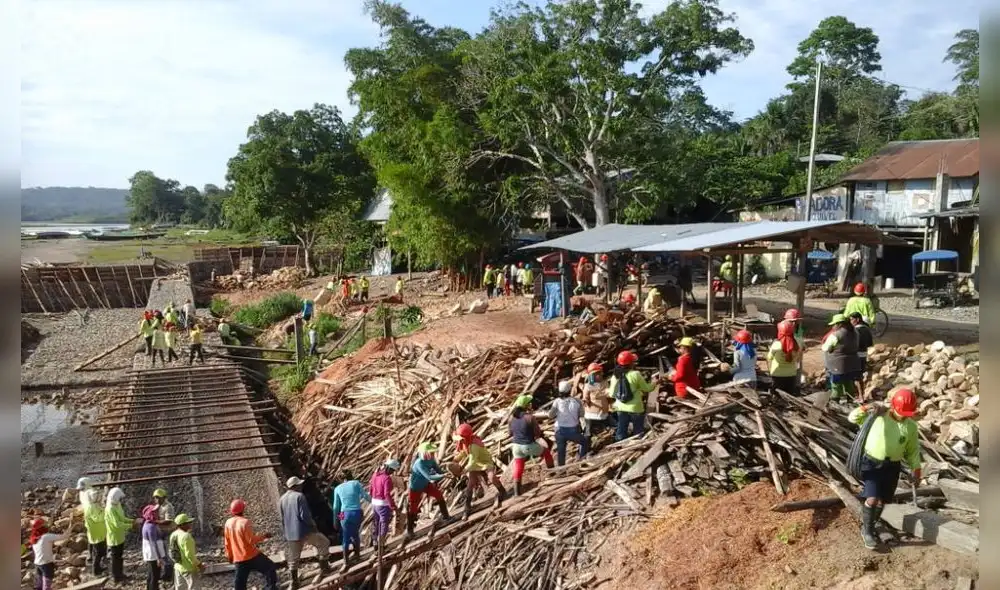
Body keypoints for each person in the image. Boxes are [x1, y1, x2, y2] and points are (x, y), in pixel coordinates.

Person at [848, 388, 922, 550]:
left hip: (892, 467)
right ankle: (866, 531)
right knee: (873, 498)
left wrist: (916, 470)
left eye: (907, 413)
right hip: (872, 464)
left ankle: (872, 524)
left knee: (882, 500)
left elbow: (912, 452)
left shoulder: (910, 427)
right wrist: (868, 407)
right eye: (901, 411)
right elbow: (852, 417)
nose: (903, 415)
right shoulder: (878, 417)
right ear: (893, 406)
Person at [280, 476, 331, 588]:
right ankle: (324, 568)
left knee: (294, 558)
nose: (301, 486)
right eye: (300, 484)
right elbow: (305, 516)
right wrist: (313, 526)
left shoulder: (282, 499)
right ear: (296, 486)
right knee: (324, 542)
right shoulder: (300, 496)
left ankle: (294, 581)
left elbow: (283, 518)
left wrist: (286, 532)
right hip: (304, 530)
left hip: (291, 533)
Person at [453, 423, 508, 518]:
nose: (460, 441)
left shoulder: (474, 445)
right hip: (475, 465)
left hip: (484, 463)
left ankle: (502, 491)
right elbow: (463, 452)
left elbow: (472, 462)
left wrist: (463, 471)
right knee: (470, 484)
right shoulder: (465, 443)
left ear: (466, 437)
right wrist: (456, 460)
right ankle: (467, 507)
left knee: (492, 477)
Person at [224, 499, 277, 590]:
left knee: (240, 583)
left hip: (238, 558)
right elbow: (251, 540)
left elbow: (227, 542)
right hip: (251, 555)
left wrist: (229, 556)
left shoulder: (228, 523)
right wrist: (264, 536)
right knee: (270, 568)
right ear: (243, 509)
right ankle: (271, 588)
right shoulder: (245, 522)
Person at [404, 442, 452, 540]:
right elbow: (429, 476)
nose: (433, 454)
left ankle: (446, 517)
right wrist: (443, 476)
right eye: (431, 452)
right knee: (413, 508)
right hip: (416, 487)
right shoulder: (419, 464)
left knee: (439, 495)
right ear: (425, 453)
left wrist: (446, 472)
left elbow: (438, 470)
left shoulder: (431, 460)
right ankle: (410, 531)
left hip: (425, 484)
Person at [508, 396, 554, 495]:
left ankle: (517, 492)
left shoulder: (511, 418)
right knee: (546, 452)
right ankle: (553, 473)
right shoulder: (530, 418)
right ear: (526, 405)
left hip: (516, 446)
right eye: (529, 403)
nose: (531, 405)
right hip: (527, 445)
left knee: (519, 466)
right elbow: (537, 433)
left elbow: (510, 433)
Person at [607, 350, 656, 441]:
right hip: (635, 408)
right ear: (631, 363)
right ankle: (638, 445)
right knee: (638, 430)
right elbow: (647, 389)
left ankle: (619, 446)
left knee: (621, 429)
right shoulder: (635, 374)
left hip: (620, 407)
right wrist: (654, 383)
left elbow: (611, 394)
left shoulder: (615, 376)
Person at [332, 470, 370, 571]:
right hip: (356, 513)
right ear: (351, 476)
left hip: (344, 514)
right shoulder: (356, 483)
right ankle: (357, 556)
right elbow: (365, 496)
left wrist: (336, 521)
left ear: (341, 479)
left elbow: (336, 507)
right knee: (355, 534)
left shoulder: (337, 488)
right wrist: (375, 502)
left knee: (345, 536)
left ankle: (346, 561)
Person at [822, 313, 863, 401]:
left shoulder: (836, 335)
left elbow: (825, 348)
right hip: (853, 364)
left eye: (834, 324)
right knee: (849, 384)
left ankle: (835, 404)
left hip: (838, 366)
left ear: (839, 324)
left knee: (836, 386)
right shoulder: (855, 332)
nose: (833, 326)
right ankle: (850, 401)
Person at [548, 381, 589, 465]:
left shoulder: (557, 402)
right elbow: (582, 414)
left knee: (561, 451)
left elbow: (550, 415)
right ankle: (582, 461)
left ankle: (561, 470)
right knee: (584, 442)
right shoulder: (577, 401)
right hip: (573, 430)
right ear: (570, 390)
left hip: (559, 430)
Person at [31, 514, 72, 590]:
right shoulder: (46, 537)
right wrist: (71, 525)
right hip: (46, 564)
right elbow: (64, 536)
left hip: (37, 564)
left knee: (39, 587)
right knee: (46, 587)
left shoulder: (33, 539)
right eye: (44, 525)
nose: (46, 526)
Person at [77, 477, 107, 576]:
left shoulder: (82, 494)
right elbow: (98, 517)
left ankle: (91, 557)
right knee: (98, 547)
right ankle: (96, 567)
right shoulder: (91, 498)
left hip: (89, 521)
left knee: (92, 541)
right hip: (96, 525)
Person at [368, 459, 401, 545]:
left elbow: (370, 488)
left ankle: (375, 541)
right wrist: (393, 506)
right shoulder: (387, 478)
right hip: (382, 504)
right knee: (384, 523)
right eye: (392, 470)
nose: (392, 472)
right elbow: (387, 494)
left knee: (376, 522)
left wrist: (374, 496)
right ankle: (381, 543)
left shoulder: (375, 475)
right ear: (389, 468)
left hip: (374, 503)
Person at [104, 486, 132, 584]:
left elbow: (122, 518)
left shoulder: (117, 504)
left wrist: (132, 521)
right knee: (115, 558)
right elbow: (117, 524)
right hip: (114, 537)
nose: (120, 500)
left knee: (120, 557)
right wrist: (131, 525)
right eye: (119, 498)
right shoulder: (110, 508)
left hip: (120, 536)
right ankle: (116, 576)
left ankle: (120, 574)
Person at [168, 514, 203, 590]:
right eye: (188, 523)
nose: (190, 524)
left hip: (178, 567)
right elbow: (189, 555)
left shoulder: (173, 534)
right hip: (189, 568)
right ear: (182, 525)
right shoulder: (186, 536)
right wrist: (199, 565)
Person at [768, 320, 801, 395]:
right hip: (791, 375)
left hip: (777, 375)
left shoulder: (776, 344)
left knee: (776, 398)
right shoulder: (797, 344)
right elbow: (798, 359)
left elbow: (769, 357)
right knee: (789, 398)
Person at [582, 362, 614, 440]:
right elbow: (585, 398)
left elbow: (608, 396)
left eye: (599, 373)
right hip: (597, 413)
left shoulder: (601, 383)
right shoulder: (592, 385)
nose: (599, 375)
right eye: (597, 373)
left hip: (597, 413)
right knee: (588, 432)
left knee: (611, 427)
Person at [141, 504, 167, 590]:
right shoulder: (151, 527)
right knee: (155, 576)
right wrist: (159, 558)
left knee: (151, 574)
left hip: (151, 554)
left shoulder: (147, 523)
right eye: (154, 512)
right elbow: (153, 544)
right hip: (154, 555)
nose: (157, 513)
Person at [850, 312, 874, 400]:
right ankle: (862, 395)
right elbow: (870, 344)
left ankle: (858, 395)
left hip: (855, 356)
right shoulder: (867, 329)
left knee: (855, 377)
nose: (850, 321)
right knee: (859, 375)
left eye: (851, 319)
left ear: (857, 319)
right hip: (864, 355)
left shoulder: (855, 330)